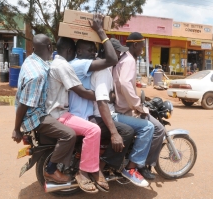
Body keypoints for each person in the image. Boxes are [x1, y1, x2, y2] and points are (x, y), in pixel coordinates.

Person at [89, 38, 154, 187]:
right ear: (110, 52)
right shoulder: (104, 71)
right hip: (105, 115)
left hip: (103, 112)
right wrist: (114, 131)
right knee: (147, 127)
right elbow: (102, 102)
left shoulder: (102, 67)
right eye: (118, 52)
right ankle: (131, 168)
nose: (119, 56)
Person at [12, 34, 76, 184]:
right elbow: (24, 103)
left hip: (34, 112)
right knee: (69, 135)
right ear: (49, 47)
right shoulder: (38, 75)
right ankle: (51, 171)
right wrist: (16, 129)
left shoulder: (32, 60)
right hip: (35, 117)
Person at [68, 14, 118, 191]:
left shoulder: (82, 65)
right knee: (123, 130)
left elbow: (91, 93)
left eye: (94, 50)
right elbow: (112, 59)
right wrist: (100, 31)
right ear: (79, 51)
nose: (94, 54)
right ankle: (92, 170)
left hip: (85, 115)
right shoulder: (79, 63)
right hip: (80, 117)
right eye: (90, 50)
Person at [45, 36, 102, 193]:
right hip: (59, 114)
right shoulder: (63, 66)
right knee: (94, 130)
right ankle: (84, 172)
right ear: (70, 51)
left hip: (58, 111)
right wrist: (105, 96)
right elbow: (81, 91)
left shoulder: (56, 63)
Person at [112, 32, 166, 180]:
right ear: (135, 45)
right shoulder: (129, 60)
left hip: (120, 106)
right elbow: (124, 83)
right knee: (158, 129)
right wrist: (137, 105)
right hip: (126, 109)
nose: (142, 50)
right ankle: (141, 164)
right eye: (142, 46)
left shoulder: (122, 58)